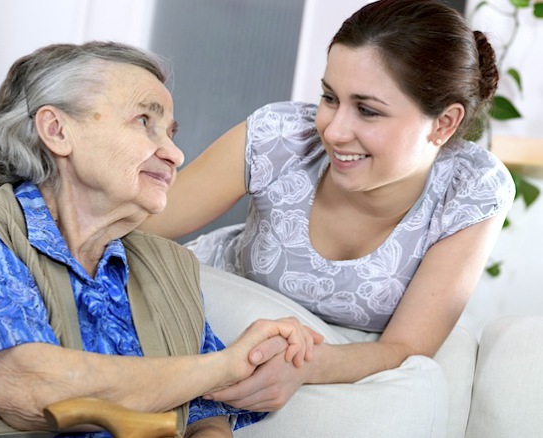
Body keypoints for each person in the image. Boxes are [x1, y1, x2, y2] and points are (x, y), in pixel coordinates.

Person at [140, 0, 516, 435]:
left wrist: (304, 365)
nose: (334, 130)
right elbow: (138, 223)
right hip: (207, 320)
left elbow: (406, 346)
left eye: (368, 110)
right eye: (329, 97)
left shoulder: (472, 189)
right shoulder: (280, 136)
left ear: (444, 124)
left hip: (319, 360)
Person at [0, 41, 321, 438]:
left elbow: (204, 411)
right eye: (144, 121)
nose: (175, 154)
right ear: (57, 130)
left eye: (170, 132)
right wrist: (224, 365)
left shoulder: (170, 266)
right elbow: (34, 389)